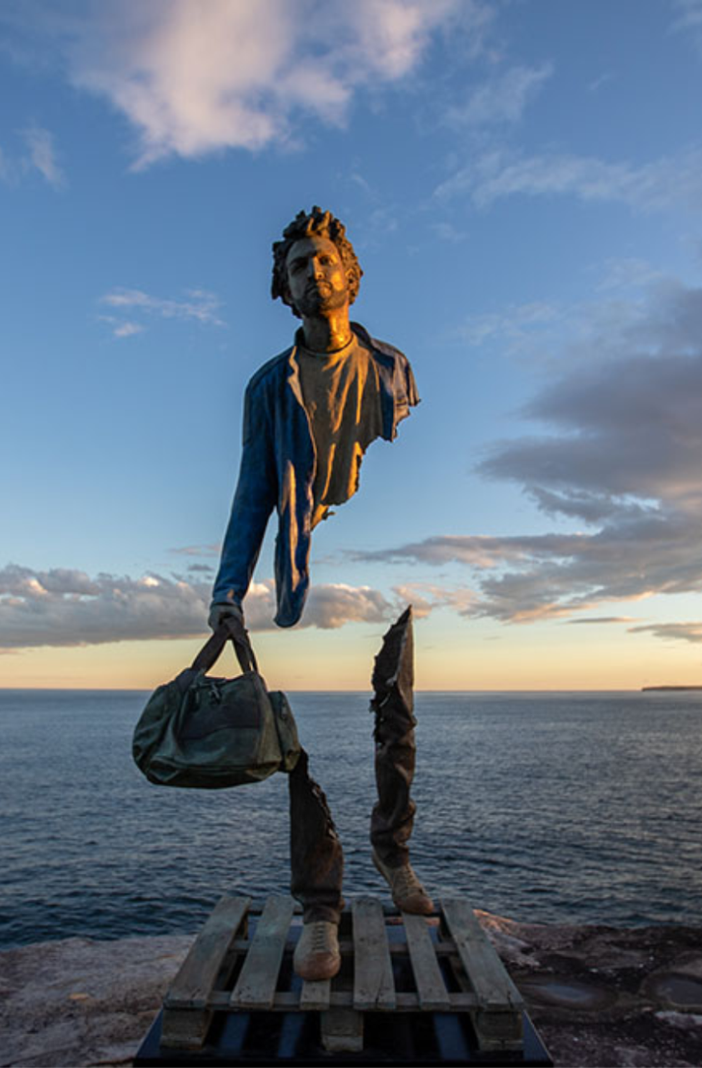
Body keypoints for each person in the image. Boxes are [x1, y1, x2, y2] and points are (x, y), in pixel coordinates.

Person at [208, 207, 424, 982]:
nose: (315, 273)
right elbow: (250, 496)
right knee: (289, 738)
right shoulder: (268, 388)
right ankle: (321, 908)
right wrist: (229, 591)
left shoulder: (394, 370)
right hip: (299, 574)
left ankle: (393, 855)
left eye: (326, 260)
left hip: (393, 558)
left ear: (352, 273)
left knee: (398, 711)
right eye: (300, 267)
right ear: (286, 290)